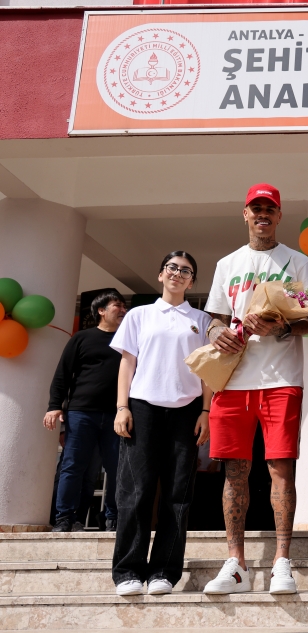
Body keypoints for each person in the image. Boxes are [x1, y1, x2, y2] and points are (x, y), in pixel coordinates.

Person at [202, 184, 308, 595]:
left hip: (281, 380)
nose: (262, 214)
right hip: (234, 379)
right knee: (235, 472)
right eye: (256, 208)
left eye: (270, 208)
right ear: (245, 213)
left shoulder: (297, 262)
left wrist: (280, 324)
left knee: (280, 469)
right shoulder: (227, 264)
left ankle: (281, 561)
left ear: (279, 215)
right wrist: (216, 334)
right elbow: (215, 318)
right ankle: (236, 564)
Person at [110, 252, 212, 596]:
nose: (178, 274)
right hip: (142, 410)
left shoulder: (201, 320)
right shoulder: (139, 315)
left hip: (186, 412)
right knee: (134, 492)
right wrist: (122, 406)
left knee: (177, 496)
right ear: (160, 274)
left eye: (186, 271)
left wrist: (206, 411)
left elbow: (208, 370)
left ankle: (164, 572)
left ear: (192, 281)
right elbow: (127, 363)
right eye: (172, 268)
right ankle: (127, 571)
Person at [45, 289, 127, 533]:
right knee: (72, 466)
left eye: (124, 306)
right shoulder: (81, 338)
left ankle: (112, 518)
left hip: (117, 415)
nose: (123, 310)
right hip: (81, 413)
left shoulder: (130, 341)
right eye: (117, 305)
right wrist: (54, 406)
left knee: (117, 468)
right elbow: (62, 374)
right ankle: (64, 518)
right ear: (101, 310)